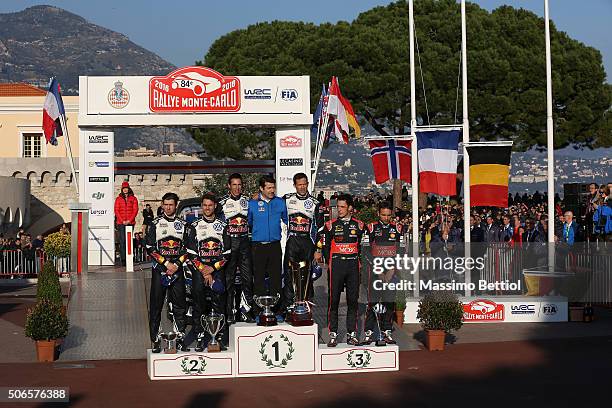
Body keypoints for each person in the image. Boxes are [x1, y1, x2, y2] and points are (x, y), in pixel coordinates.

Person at [316, 194, 365, 347]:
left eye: (343, 207)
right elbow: (323, 245)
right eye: (338, 207)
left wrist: (362, 262)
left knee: (352, 301)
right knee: (334, 301)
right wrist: (327, 260)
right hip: (336, 266)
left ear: (350, 208)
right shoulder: (330, 225)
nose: (340, 209)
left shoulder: (359, 225)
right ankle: (333, 334)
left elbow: (364, 247)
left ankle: (352, 333)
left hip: (353, 267)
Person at [185, 193, 231, 351]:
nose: (207, 208)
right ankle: (199, 336)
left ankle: (220, 337)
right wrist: (205, 271)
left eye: (210, 205)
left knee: (220, 303)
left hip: (217, 268)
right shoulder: (194, 226)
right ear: (201, 206)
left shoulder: (223, 226)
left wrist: (213, 268)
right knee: (199, 304)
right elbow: (191, 253)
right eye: (204, 205)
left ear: (215, 206)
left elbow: (227, 253)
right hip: (200, 269)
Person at [145, 192, 190, 353]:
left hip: (177, 271)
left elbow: (188, 250)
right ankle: (156, 340)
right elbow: (150, 248)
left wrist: (177, 264)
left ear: (176, 205)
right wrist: (166, 263)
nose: (168, 207)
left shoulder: (183, 224)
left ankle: (180, 338)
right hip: (160, 270)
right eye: (166, 204)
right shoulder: (154, 224)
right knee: (156, 306)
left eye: (171, 204)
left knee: (179, 306)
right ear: (162, 205)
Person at [281, 173, 323, 319]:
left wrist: (318, 249)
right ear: (295, 185)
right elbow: (272, 206)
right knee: (289, 276)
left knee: (307, 277)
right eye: (299, 184)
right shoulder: (287, 199)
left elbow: (320, 228)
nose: (302, 186)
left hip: (307, 243)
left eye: (304, 183)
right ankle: (288, 309)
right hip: (292, 241)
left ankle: (307, 309)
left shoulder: (315, 203)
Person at [247, 175, 288, 319]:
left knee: (276, 279)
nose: (272, 190)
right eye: (269, 188)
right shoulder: (252, 204)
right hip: (258, 246)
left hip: (275, 246)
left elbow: (287, 219)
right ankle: (258, 311)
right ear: (261, 188)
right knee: (258, 279)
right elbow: (249, 222)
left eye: (273, 187)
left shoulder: (280, 202)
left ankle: (277, 311)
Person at [361, 201, 400, 346]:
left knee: (389, 301)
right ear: (378, 214)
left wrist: (391, 270)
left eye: (389, 215)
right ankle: (369, 332)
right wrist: (378, 270)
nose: (386, 218)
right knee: (373, 301)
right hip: (375, 271)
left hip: (391, 271)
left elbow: (401, 251)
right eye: (383, 215)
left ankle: (386, 331)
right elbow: (365, 252)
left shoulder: (397, 228)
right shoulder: (370, 228)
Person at [218, 173, 255, 323]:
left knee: (247, 279)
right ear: (229, 186)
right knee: (229, 280)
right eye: (234, 184)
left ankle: (246, 310)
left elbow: (252, 222)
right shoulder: (222, 203)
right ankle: (230, 311)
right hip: (230, 245)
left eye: (239, 185)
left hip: (245, 243)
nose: (237, 188)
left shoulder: (249, 201)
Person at [114, 181, 139, 267]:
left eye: (126, 188)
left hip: (130, 222)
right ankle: (123, 259)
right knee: (122, 240)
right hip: (121, 223)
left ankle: (130, 258)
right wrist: (122, 221)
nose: (125, 190)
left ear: (128, 189)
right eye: (123, 188)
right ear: (122, 189)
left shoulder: (133, 198)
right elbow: (116, 210)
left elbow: (135, 210)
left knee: (129, 240)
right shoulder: (118, 199)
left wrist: (129, 220)